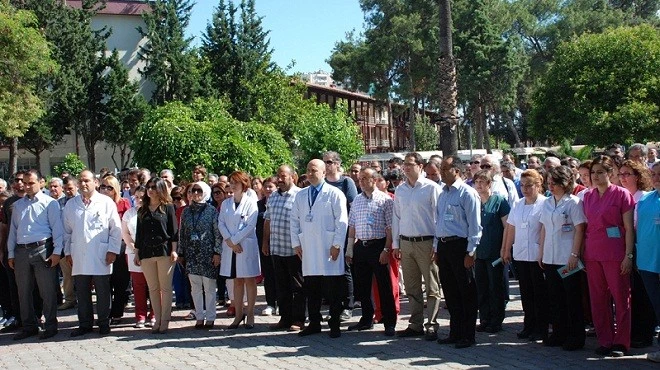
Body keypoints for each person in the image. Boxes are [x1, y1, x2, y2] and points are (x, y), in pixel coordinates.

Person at [582, 155, 635, 357]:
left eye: (600, 172)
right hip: (593, 253)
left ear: (610, 173)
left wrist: (628, 255)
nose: (595, 176)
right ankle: (605, 340)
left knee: (621, 298)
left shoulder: (622, 195)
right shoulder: (588, 196)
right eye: (593, 172)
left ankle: (621, 342)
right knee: (598, 299)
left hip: (615, 253)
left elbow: (629, 228)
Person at [291, 159, 348, 338]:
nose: (310, 173)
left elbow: (342, 221)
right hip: (309, 248)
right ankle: (314, 322)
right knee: (312, 288)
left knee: (333, 290)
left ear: (324, 173)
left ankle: (334, 324)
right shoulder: (301, 195)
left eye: (314, 170)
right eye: (308, 170)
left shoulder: (335, 193)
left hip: (328, 247)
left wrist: (337, 244)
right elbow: (294, 220)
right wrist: (296, 244)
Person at [63, 170, 122, 337]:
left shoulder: (105, 202)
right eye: (80, 181)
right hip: (78, 254)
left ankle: (104, 323)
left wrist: (112, 250)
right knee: (82, 291)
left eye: (87, 180)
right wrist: (68, 251)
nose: (83, 184)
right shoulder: (71, 204)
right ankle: (85, 324)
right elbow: (67, 231)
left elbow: (115, 229)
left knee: (103, 291)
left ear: (95, 182)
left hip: (101, 253)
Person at [7, 169, 63, 340]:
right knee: (23, 292)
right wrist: (10, 253)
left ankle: (51, 326)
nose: (27, 186)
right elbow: (13, 231)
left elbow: (58, 230)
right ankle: (29, 326)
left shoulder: (50, 203)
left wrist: (56, 253)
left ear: (41, 182)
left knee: (47, 291)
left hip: (42, 249)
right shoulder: (17, 206)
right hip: (21, 251)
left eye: (31, 182)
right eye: (25, 182)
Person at [392, 152, 442, 340]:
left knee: (431, 286)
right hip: (406, 242)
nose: (406, 167)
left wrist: (436, 245)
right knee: (412, 287)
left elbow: (438, 219)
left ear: (420, 166)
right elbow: (396, 217)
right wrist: (396, 243)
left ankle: (432, 324)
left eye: (410, 164)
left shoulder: (431, 188)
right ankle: (415, 324)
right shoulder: (401, 190)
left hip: (426, 242)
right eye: (404, 164)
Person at [435, 156, 481, 349]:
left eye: (445, 169)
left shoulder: (467, 193)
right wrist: (437, 248)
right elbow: (439, 222)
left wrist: (470, 252)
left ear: (457, 170)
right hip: (445, 246)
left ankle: (468, 335)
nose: (442, 172)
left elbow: (475, 225)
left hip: (461, 246)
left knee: (466, 292)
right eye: (441, 169)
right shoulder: (443, 193)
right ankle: (455, 332)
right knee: (451, 292)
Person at [538, 166, 587, 351]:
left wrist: (574, 255)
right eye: (549, 182)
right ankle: (559, 333)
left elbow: (580, 229)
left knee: (571, 298)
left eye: (554, 183)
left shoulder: (573, 203)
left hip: (567, 258)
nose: (550, 186)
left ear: (564, 183)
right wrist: (541, 252)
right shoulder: (547, 203)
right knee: (555, 298)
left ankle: (576, 336)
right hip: (551, 257)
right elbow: (543, 228)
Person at [346, 168, 397, 336]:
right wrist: (350, 250)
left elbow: (390, 228)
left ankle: (389, 322)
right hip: (361, 246)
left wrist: (386, 249)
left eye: (364, 178)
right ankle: (366, 319)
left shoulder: (385, 200)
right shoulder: (357, 201)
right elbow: (352, 226)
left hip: (379, 245)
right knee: (362, 286)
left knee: (384, 286)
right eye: (359, 179)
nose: (360, 181)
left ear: (374, 180)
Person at [502, 170, 548, 341]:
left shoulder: (545, 203)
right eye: (522, 185)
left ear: (538, 185)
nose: (525, 189)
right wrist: (506, 249)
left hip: (537, 256)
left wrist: (543, 252)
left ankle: (540, 327)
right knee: (526, 292)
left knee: (539, 293)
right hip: (521, 254)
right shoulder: (518, 204)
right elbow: (511, 227)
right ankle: (528, 325)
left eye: (529, 185)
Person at [262, 165, 305, 332]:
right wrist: (265, 242)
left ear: (292, 177)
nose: (279, 179)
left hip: (295, 250)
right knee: (282, 286)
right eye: (278, 176)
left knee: (298, 286)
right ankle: (285, 319)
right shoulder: (272, 197)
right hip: (276, 248)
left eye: (283, 176)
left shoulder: (300, 195)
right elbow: (267, 220)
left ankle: (299, 319)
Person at [134, 178, 178, 334]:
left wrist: (174, 250)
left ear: (161, 189)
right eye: (148, 187)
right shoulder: (142, 210)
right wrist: (137, 253)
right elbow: (139, 234)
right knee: (153, 288)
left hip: (164, 251)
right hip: (146, 253)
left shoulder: (169, 208)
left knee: (165, 288)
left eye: (154, 187)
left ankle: (165, 320)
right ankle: (157, 319)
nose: (150, 190)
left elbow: (173, 232)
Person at [218, 171, 261, 329]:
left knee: (249, 280)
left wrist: (234, 240)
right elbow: (221, 223)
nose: (233, 184)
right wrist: (229, 241)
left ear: (244, 184)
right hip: (231, 247)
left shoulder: (251, 202)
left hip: (245, 245)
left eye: (236, 182)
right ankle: (238, 314)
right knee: (236, 281)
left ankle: (250, 314)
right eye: (231, 181)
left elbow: (250, 225)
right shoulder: (226, 203)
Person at [178, 181, 222, 329]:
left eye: (199, 191)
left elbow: (217, 233)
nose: (195, 194)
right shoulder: (186, 212)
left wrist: (217, 252)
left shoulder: (211, 211)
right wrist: (181, 252)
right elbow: (182, 233)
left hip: (207, 253)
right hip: (191, 254)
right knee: (195, 288)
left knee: (209, 287)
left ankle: (210, 316)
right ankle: (199, 316)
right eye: (193, 191)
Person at [472, 170, 510, 334]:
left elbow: (507, 226)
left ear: (490, 184)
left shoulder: (499, 201)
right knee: (481, 287)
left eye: (483, 182)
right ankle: (485, 318)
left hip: (495, 252)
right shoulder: (474, 201)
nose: (479, 185)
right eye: (477, 182)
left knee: (496, 287)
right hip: (479, 252)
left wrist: (505, 248)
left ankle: (496, 320)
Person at [323, 151, 358, 321]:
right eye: (324, 162)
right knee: (329, 271)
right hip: (325, 233)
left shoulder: (346, 182)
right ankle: (333, 305)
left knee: (345, 268)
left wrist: (353, 232)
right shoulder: (321, 183)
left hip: (343, 231)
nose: (326, 165)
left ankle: (348, 305)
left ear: (337, 163)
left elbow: (353, 207)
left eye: (329, 162)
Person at [99, 175, 132, 326]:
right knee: (105, 282)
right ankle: (106, 312)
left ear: (116, 189)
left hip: (120, 244)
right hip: (101, 245)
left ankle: (117, 312)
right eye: (103, 187)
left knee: (120, 281)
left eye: (109, 187)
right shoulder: (96, 204)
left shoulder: (123, 203)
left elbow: (129, 224)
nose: (106, 190)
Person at [635, 162, 660, 363]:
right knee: (657, 307)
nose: (656, 177)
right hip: (646, 263)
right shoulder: (644, 199)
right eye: (653, 174)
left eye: (659, 174)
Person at [121, 186, 155, 328]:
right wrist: (134, 249)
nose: (139, 200)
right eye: (136, 197)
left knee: (153, 285)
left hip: (151, 254)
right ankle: (140, 316)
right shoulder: (129, 214)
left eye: (142, 197)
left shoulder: (152, 212)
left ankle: (154, 314)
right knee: (139, 286)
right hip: (133, 252)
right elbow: (125, 233)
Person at [257, 177, 277, 316]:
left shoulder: (278, 202)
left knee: (281, 276)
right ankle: (271, 304)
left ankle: (282, 303)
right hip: (263, 245)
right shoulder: (258, 205)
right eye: (266, 187)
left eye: (271, 186)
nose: (268, 189)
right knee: (269, 276)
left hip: (280, 244)